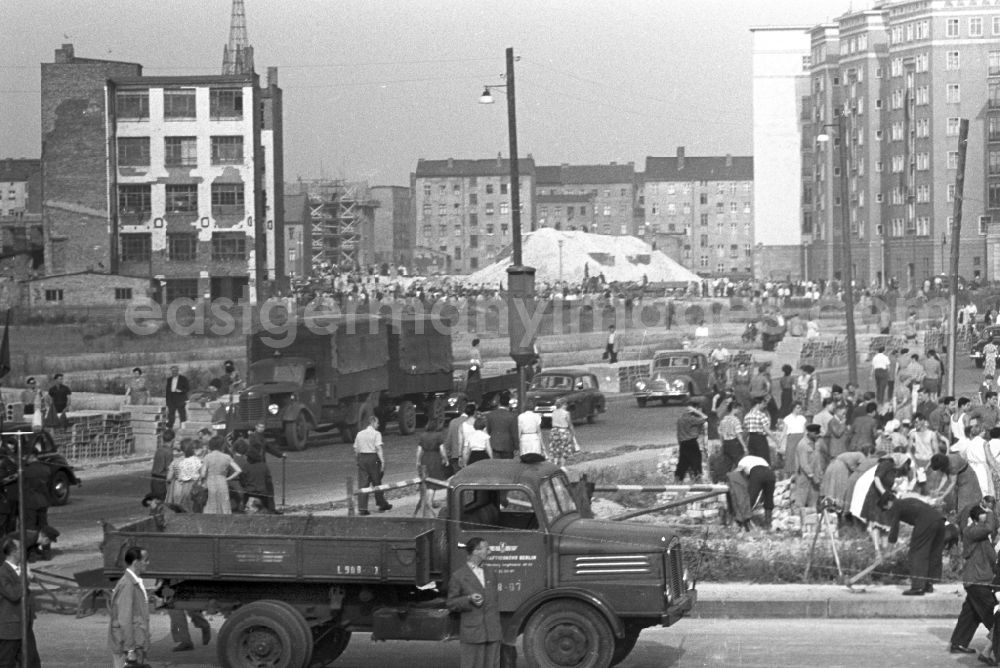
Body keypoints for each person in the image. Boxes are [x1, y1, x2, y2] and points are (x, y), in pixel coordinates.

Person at [948, 503, 999, 658]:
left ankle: (959, 643)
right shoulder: (972, 531)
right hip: (978, 581)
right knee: (992, 612)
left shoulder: (981, 535)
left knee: (970, 614)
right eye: (985, 514)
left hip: (978, 580)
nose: (988, 516)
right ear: (979, 517)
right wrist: (990, 513)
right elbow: (989, 527)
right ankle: (996, 645)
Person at [447, 537, 501, 668]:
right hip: (473, 634)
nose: (489, 551)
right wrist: (468, 599)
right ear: (476, 551)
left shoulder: (491, 573)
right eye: (486, 548)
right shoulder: (458, 576)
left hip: (492, 633)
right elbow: (451, 603)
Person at [881, 493, 947, 595]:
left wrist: (888, 551)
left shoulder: (896, 506)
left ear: (889, 502)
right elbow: (919, 514)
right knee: (933, 553)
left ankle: (918, 587)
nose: (887, 512)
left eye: (885, 509)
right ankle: (928, 584)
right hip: (939, 521)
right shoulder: (907, 501)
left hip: (926, 523)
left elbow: (894, 531)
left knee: (917, 554)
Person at [108, 546, 151, 668]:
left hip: (135, 642)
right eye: (146, 560)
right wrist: (130, 649)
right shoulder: (128, 585)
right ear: (136, 562)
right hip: (127, 647)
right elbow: (124, 619)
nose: (148, 563)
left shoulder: (133, 582)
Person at [0, 538, 40, 668]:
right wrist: (25, 577)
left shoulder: (20, 569)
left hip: (25, 625)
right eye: (21, 549)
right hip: (10, 628)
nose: (24, 552)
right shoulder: (2, 573)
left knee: (31, 662)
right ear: (14, 552)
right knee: (7, 662)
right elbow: (13, 594)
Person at [354, 416, 392, 515]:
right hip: (373, 458)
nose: (378, 425)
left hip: (362, 457)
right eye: (377, 423)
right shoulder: (376, 434)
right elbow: (378, 448)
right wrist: (383, 461)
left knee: (363, 483)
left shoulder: (359, 434)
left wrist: (358, 460)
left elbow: (356, 449)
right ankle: (381, 503)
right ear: (373, 423)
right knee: (377, 481)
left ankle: (362, 508)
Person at [200, 436, 241, 515]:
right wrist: (228, 478)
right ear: (222, 445)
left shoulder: (207, 457)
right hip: (222, 480)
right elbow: (238, 470)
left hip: (210, 481)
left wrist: (204, 479)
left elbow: (203, 473)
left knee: (211, 501)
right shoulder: (227, 457)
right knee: (224, 502)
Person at [736, 454, 776, 531]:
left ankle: (742, 523)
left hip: (757, 473)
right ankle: (768, 524)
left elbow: (737, 475)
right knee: (769, 498)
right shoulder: (760, 458)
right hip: (770, 474)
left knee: (751, 498)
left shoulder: (742, 461)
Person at [792, 424, 822, 519]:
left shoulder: (815, 443)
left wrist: (819, 474)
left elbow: (817, 461)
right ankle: (797, 522)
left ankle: (811, 523)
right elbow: (804, 464)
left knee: (813, 500)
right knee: (801, 500)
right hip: (804, 477)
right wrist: (812, 477)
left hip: (815, 476)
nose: (817, 436)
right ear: (810, 433)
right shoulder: (803, 445)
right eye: (816, 434)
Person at [675, 399, 707, 483]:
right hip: (691, 443)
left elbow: (678, 434)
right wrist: (696, 411)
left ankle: (678, 480)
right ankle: (698, 479)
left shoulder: (680, 418)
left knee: (682, 463)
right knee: (696, 461)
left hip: (682, 443)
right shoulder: (691, 419)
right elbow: (705, 418)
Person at [166, 440, 201, 513]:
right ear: (192, 449)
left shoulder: (175, 461)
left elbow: (169, 478)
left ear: (181, 449)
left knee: (179, 512)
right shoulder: (197, 461)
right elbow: (201, 475)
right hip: (193, 489)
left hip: (178, 488)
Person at [416, 429, 448, 508]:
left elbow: (419, 450)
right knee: (433, 481)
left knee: (425, 480)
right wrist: (446, 459)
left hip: (425, 458)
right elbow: (442, 450)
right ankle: (429, 501)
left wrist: (418, 461)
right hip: (435, 459)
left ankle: (424, 501)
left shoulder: (422, 436)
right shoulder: (439, 435)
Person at [743, 396, 775, 465]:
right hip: (760, 439)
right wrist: (776, 441)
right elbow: (767, 430)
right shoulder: (761, 415)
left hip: (751, 439)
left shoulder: (747, 416)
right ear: (758, 404)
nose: (763, 406)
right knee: (764, 460)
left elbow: (745, 431)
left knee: (753, 461)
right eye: (763, 404)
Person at [485, 395, 518, 460]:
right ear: (508, 404)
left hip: (494, 444)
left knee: (496, 466)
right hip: (508, 445)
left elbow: (488, 430)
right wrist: (517, 447)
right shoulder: (512, 416)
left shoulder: (490, 415)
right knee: (507, 466)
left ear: (499, 403)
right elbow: (514, 433)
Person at [780, 401, 807, 477]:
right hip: (791, 439)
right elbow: (784, 432)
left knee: (800, 457)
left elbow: (805, 431)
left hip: (800, 438)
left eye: (800, 408)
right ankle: (787, 476)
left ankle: (799, 475)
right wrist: (780, 442)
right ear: (793, 408)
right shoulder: (787, 418)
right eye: (798, 408)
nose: (799, 409)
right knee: (790, 457)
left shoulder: (802, 418)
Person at [718, 400, 747, 473]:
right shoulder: (735, 420)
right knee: (739, 463)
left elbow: (721, 434)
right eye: (738, 409)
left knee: (727, 464)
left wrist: (722, 444)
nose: (739, 411)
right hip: (734, 444)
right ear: (734, 408)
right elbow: (738, 435)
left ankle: (725, 480)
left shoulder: (723, 420)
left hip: (726, 443)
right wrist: (744, 447)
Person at [446, 404, 475, 474]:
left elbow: (449, 439)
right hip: (469, 455)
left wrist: (448, 452)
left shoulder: (453, 421)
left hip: (455, 454)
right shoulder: (473, 422)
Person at [548, 397, 577, 468]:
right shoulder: (566, 413)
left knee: (555, 449)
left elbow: (552, 422)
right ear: (564, 405)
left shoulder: (554, 412)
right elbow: (570, 424)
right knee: (564, 450)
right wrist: (572, 433)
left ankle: (554, 465)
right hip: (563, 432)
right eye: (566, 405)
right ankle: (562, 466)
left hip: (554, 432)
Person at [150, 428, 175, 501]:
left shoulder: (159, 449)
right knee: (161, 502)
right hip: (161, 481)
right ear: (173, 440)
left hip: (154, 480)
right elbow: (169, 469)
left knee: (155, 502)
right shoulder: (169, 452)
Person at [165, 366, 190, 430]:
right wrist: (167, 401)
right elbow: (167, 391)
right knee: (171, 414)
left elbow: (187, 388)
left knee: (182, 412)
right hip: (171, 398)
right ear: (171, 372)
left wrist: (181, 391)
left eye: (175, 371)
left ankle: (183, 427)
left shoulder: (183, 379)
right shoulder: (169, 379)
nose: (174, 372)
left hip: (180, 397)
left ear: (178, 371)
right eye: (173, 371)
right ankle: (170, 428)